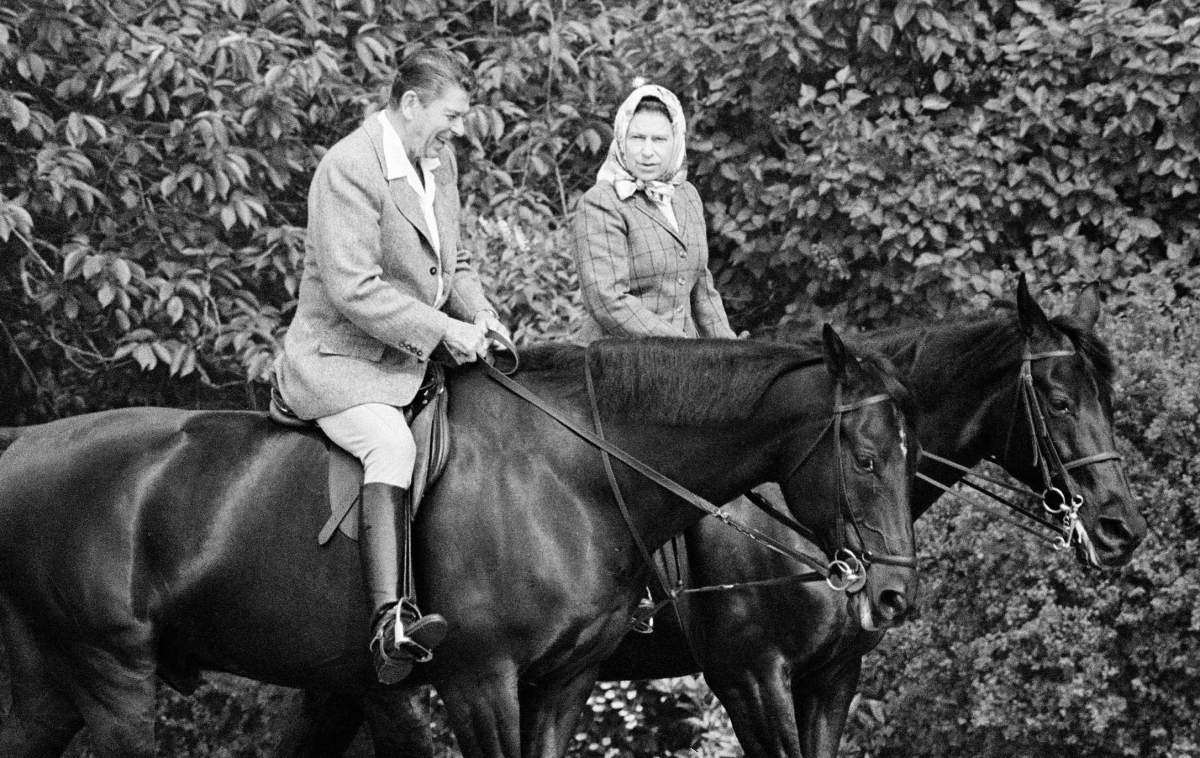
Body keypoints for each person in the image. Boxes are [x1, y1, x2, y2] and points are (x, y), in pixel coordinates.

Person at [274, 48, 508, 685]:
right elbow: (354, 289)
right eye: (451, 116)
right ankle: (390, 622)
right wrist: (447, 330)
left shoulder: (438, 162)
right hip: (340, 362)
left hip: (412, 359)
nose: (459, 130)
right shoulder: (349, 166)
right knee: (390, 447)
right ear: (410, 104)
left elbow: (454, 265)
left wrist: (482, 317)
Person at [571, 83, 736, 344]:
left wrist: (733, 352)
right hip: (620, 356)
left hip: (686, 357)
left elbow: (702, 290)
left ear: (676, 142)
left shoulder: (686, 196)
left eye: (659, 140)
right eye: (637, 138)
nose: (647, 152)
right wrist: (684, 348)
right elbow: (607, 300)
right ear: (621, 139)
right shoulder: (602, 202)